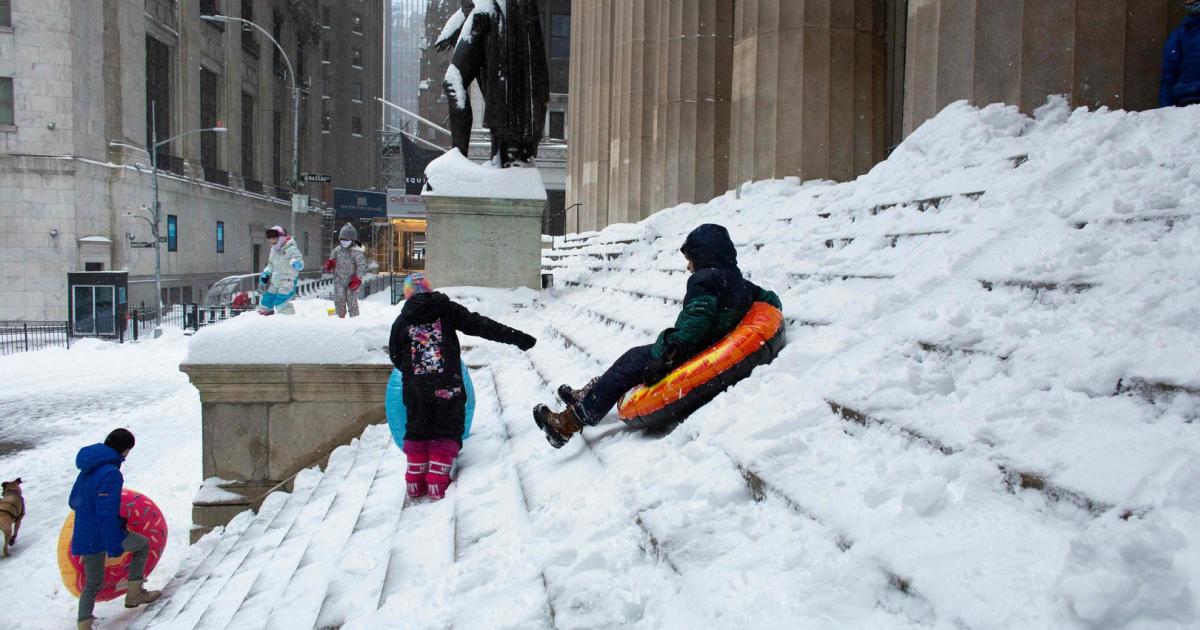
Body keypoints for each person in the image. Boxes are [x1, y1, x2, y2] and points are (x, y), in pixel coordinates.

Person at [533, 224, 782, 448]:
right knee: (629, 361)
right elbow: (770, 299)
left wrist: (667, 358)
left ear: (704, 256)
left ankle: (567, 423)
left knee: (627, 365)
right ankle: (589, 393)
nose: (688, 266)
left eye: (691, 259)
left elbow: (696, 323)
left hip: (684, 352)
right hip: (698, 346)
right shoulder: (738, 282)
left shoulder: (705, 280)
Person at [388, 273, 537, 500]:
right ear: (429, 290)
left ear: (407, 295)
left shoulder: (402, 320)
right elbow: (481, 326)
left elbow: (395, 355)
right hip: (447, 384)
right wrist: (518, 338)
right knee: (447, 426)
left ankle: (415, 484)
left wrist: (413, 373)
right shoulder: (446, 309)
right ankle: (437, 483)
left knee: (417, 426)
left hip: (415, 388)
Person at [69, 429, 162, 630]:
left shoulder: (89, 466)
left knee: (93, 582)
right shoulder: (111, 473)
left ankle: (83, 622)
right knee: (142, 546)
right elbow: (106, 512)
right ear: (125, 450)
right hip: (103, 533)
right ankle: (134, 593)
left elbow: (74, 501)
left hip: (84, 531)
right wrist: (114, 542)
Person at [257, 225, 305, 316]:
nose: (272, 242)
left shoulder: (291, 249)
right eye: (270, 240)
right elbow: (271, 264)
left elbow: (300, 263)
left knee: (281, 302)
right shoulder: (273, 250)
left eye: (275, 239)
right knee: (266, 301)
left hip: (288, 281)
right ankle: (265, 320)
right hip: (276, 280)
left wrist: (296, 263)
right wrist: (266, 272)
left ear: (281, 237)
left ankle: (287, 321)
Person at [323, 223, 368, 318]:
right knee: (339, 300)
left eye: (346, 240)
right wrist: (329, 265)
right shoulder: (337, 250)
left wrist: (358, 279)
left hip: (353, 281)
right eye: (342, 239)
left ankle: (354, 320)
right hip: (339, 280)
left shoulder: (357, 252)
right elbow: (331, 260)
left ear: (352, 240)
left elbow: (362, 267)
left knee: (351, 301)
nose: (344, 241)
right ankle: (340, 319)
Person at [1161, 0, 1200, 107]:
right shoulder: (1182, 31)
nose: (1188, 3)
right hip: (1188, 99)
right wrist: (1165, 111)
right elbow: (1169, 74)